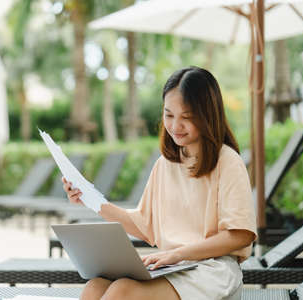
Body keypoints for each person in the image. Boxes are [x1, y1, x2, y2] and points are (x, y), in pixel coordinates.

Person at [62, 66, 257, 300]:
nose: (175, 126)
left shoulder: (228, 162)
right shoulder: (166, 164)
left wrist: (177, 254)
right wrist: (91, 200)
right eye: (169, 115)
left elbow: (241, 235)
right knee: (94, 288)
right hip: (173, 265)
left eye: (186, 117)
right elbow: (145, 225)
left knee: (122, 292)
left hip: (212, 270)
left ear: (208, 115)